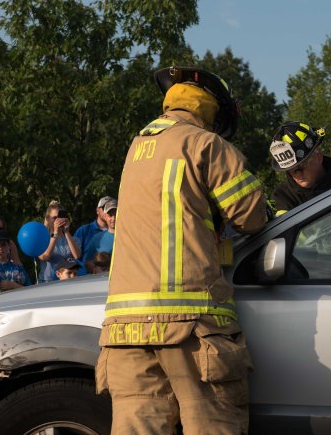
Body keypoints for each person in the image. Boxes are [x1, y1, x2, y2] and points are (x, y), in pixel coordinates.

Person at [97, 66, 269, 434]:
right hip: (191, 326)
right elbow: (252, 217)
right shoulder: (206, 145)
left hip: (124, 331)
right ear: (212, 112)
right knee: (214, 423)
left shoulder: (136, 149)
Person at [268, 122, 331, 216]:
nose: (297, 173)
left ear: (318, 156)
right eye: (291, 169)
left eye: (302, 165)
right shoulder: (282, 198)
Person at [37, 201, 83, 282]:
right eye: (55, 218)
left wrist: (66, 232)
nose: (58, 221)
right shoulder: (42, 238)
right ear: (48, 218)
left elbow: (77, 256)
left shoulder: (74, 239)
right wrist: (55, 233)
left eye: (60, 217)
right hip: (47, 281)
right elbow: (45, 257)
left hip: (67, 281)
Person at [82, 198, 116, 272]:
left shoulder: (128, 237)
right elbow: (87, 262)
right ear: (105, 217)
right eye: (110, 215)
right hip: (103, 281)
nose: (113, 218)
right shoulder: (97, 238)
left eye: (116, 214)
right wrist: (98, 271)